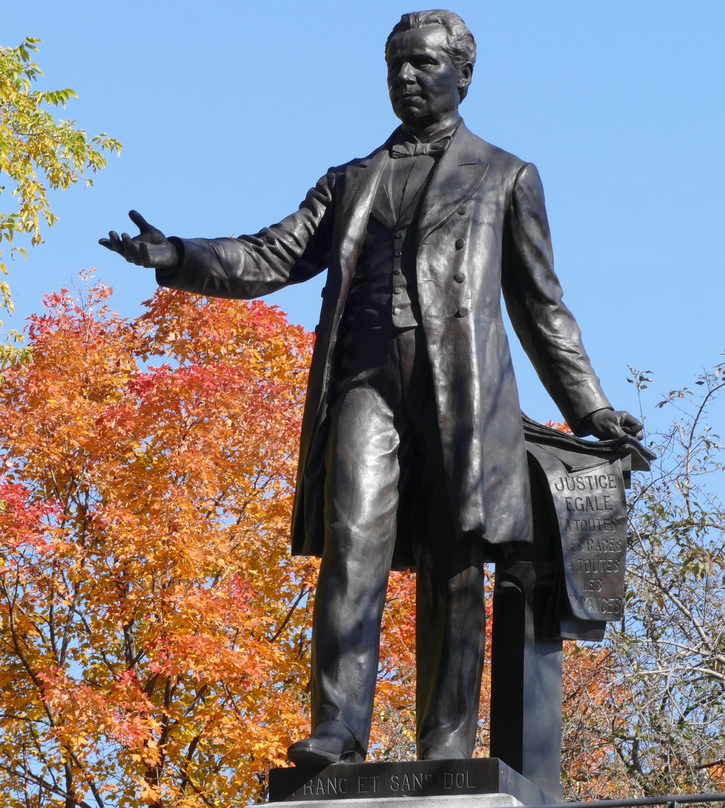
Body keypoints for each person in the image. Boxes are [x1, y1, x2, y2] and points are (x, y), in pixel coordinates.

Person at [100, 9, 642, 766]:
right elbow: (271, 254)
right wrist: (179, 255)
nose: (406, 77)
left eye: (422, 63)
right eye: (395, 65)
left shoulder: (506, 177)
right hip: (365, 379)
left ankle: (448, 743)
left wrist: (591, 409)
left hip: (464, 391)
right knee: (352, 541)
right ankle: (338, 730)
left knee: (456, 560)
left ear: (464, 73)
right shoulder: (351, 180)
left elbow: (542, 308)